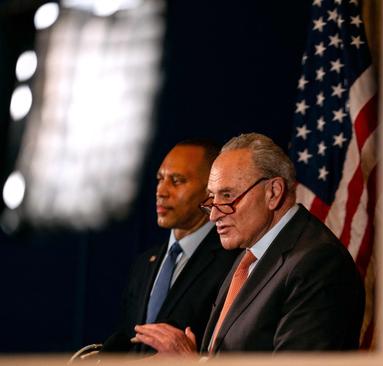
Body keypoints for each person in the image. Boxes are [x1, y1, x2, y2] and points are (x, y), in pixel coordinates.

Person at [134, 132, 365, 356]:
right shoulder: (249, 254)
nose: (213, 215)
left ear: (273, 192)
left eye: (227, 196)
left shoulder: (318, 264)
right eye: (212, 198)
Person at [103, 140, 240, 353]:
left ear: (210, 191)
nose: (161, 191)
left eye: (177, 181)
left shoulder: (232, 262)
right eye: (160, 179)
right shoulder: (144, 264)